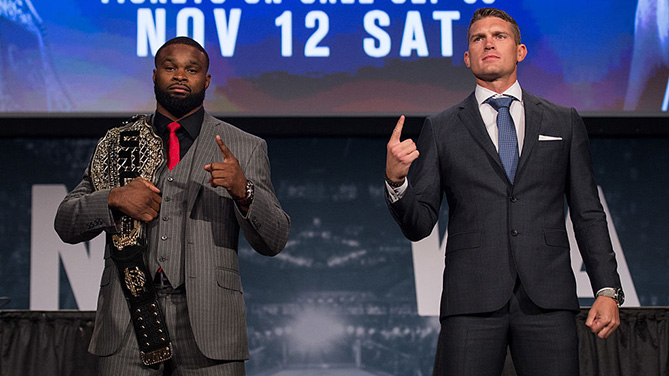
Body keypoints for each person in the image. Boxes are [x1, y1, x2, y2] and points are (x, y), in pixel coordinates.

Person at [384, 8, 623, 376]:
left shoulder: (563, 121)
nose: (489, 43)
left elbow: (588, 212)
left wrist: (606, 289)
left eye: (500, 36)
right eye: (478, 38)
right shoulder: (442, 127)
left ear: (520, 51)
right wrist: (397, 181)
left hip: (548, 300)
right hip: (470, 301)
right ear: (467, 58)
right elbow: (420, 224)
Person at [55, 36, 290, 375]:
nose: (180, 75)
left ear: (206, 81)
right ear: (154, 76)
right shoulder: (120, 142)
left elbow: (275, 238)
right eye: (170, 67)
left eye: (191, 69)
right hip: (126, 320)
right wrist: (113, 198)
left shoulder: (245, 146)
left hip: (210, 326)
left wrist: (244, 191)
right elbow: (66, 222)